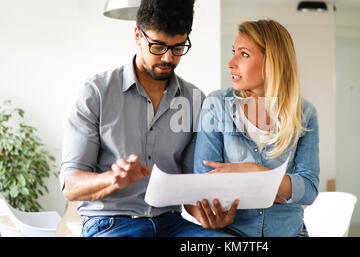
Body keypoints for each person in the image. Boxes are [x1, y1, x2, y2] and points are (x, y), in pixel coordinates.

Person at [60, 0, 231, 237]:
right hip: (112, 222)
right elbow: (71, 185)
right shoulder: (95, 93)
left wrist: (208, 215)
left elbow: (189, 184)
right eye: (158, 46)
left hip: (171, 223)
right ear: (137, 36)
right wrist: (113, 179)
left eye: (178, 47)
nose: (168, 58)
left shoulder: (195, 99)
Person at [185, 19, 320, 237]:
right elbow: (206, 181)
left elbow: (309, 191)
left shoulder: (305, 113)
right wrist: (281, 187)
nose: (231, 62)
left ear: (272, 61)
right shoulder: (217, 104)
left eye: (244, 54)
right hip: (232, 235)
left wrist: (257, 173)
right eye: (234, 52)